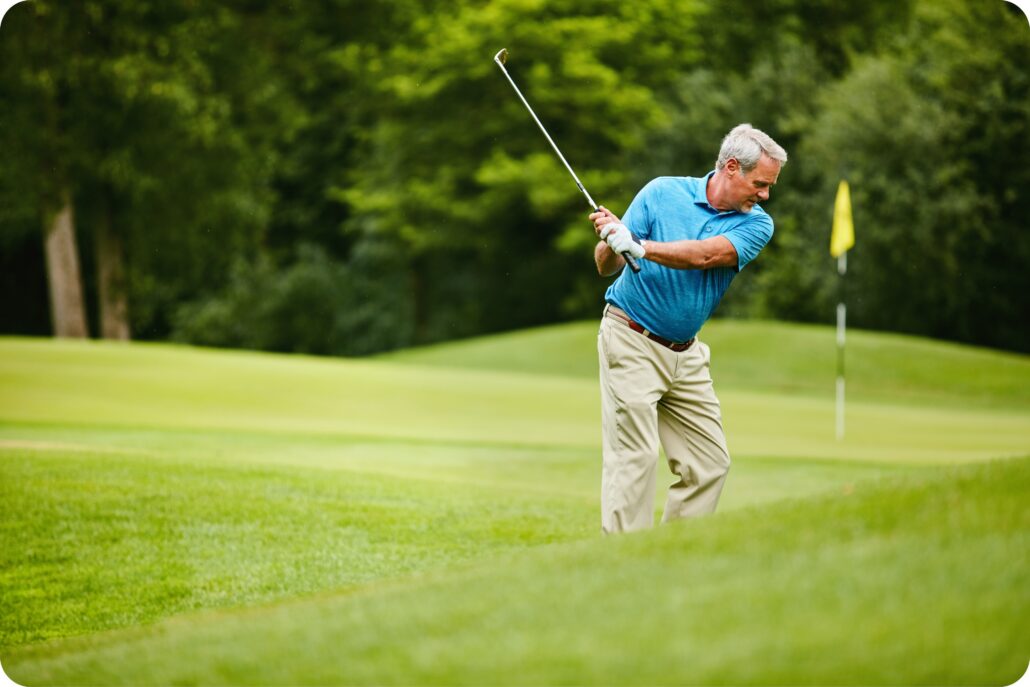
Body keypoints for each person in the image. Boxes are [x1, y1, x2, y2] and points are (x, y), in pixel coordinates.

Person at [590, 123, 787, 534]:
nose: (765, 194)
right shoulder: (662, 192)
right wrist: (612, 239)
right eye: (761, 183)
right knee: (636, 458)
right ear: (732, 167)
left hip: (687, 354)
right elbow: (604, 264)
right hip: (631, 337)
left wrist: (641, 247)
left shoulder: (757, 224)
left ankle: (670, 554)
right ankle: (621, 566)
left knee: (710, 464)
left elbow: (704, 256)